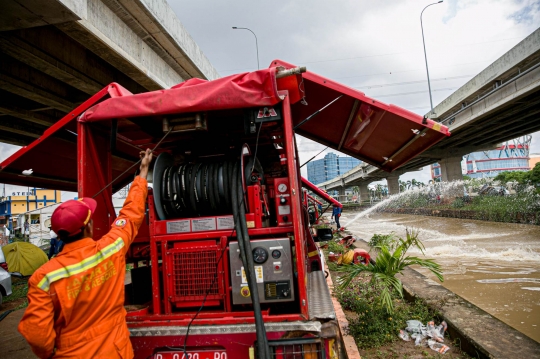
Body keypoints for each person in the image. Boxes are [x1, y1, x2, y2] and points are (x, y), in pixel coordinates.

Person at [18, 149, 153, 359]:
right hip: (115, 352)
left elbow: (37, 336)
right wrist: (142, 173)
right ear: (88, 226)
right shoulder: (111, 248)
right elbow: (132, 213)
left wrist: (51, 353)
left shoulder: (43, 278)